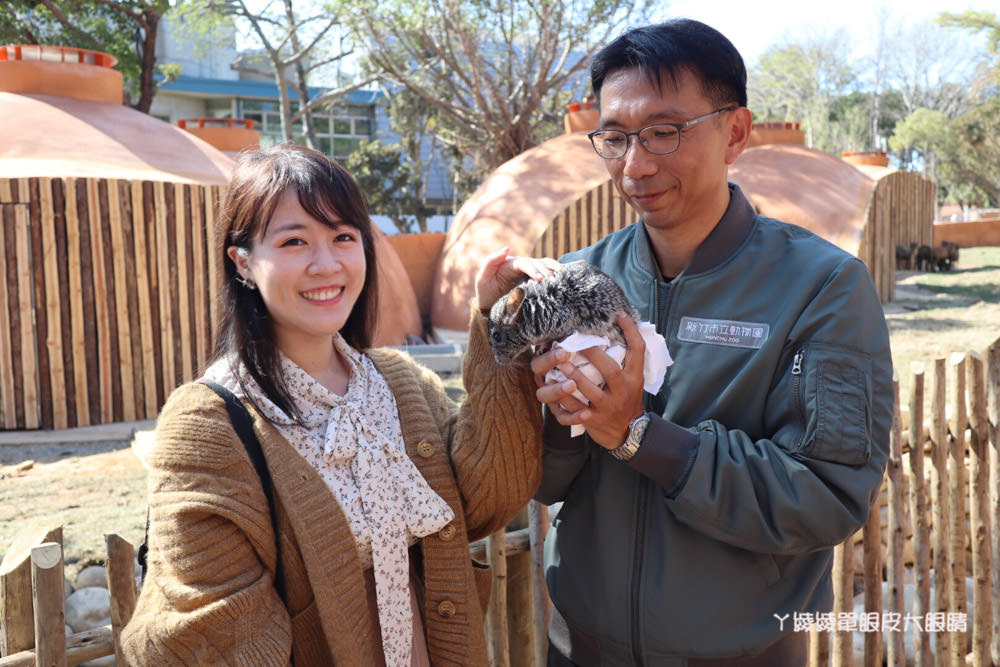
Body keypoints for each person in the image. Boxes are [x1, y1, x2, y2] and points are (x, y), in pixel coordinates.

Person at [531, 19, 894, 666]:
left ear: (736, 132)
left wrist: (641, 435)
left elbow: (827, 498)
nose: (635, 165)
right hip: (579, 650)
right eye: (615, 138)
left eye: (665, 131)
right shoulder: (577, 279)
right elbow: (546, 482)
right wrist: (562, 420)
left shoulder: (821, 287)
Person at [121, 143, 553, 665]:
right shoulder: (209, 425)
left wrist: (497, 321)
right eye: (295, 241)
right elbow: (220, 628)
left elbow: (483, 501)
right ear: (243, 262)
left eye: (344, 237)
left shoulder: (397, 383)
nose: (326, 264)